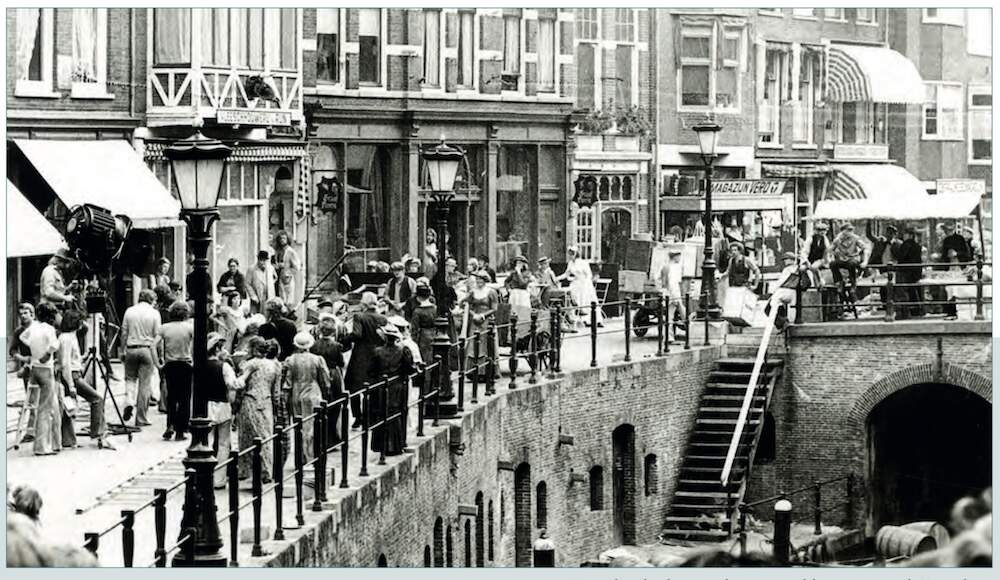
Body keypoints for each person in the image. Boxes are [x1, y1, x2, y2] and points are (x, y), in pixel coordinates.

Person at [57, 309, 114, 450]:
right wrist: (71, 385)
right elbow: (65, 363)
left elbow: (69, 360)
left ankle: (68, 439)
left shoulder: (66, 337)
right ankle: (97, 432)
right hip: (72, 375)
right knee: (97, 399)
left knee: (67, 407)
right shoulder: (68, 338)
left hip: (72, 373)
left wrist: (83, 357)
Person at [234, 336, 278, 482]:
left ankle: (245, 470)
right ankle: (266, 471)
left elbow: (241, 386)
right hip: (266, 402)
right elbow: (275, 391)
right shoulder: (274, 366)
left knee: (246, 436)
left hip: (250, 400)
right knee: (265, 436)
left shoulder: (249, 364)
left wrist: (236, 406)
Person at [20, 302, 62, 456]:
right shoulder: (49, 328)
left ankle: (53, 443)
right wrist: (46, 353)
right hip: (46, 369)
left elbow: (22, 337)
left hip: (34, 368)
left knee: (43, 406)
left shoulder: (34, 327)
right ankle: (42, 446)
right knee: (45, 409)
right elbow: (55, 345)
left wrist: (33, 346)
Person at [282, 331, 330, 463]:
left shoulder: (290, 360)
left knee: (299, 426)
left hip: (297, 393)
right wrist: (326, 393)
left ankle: (301, 457)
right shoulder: (317, 359)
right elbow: (325, 380)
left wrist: (285, 398)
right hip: (313, 392)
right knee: (314, 425)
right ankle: (313, 455)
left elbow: (287, 382)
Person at [342, 292, 388, 428]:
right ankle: (371, 416)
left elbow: (357, 333)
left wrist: (345, 339)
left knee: (354, 387)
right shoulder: (382, 318)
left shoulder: (359, 317)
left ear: (364, 304)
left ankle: (358, 416)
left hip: (361, 356)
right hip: (377, 356)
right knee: (374, 386)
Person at [368, 324, 414, 456]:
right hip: (398, 386)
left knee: (381, 412)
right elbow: (408, 369)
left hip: (381, 386)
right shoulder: (403, 350)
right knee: (396, 413)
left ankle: (381, 445)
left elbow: (371, 371)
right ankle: (396, 445)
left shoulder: (377, 351)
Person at [119, 289, 161, 427]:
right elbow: (157, 335)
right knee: (145, 384)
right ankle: (141, 418)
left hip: (131, 348)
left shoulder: (129, 311)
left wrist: (122, 349)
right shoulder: (154, 313)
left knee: (130, 379)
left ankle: (129, 402)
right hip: (147, 349)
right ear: (151, 300)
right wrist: (158, 355)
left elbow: (124, 332)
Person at [155, 301, 194, 441]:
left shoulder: (164, 328)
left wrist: (157, 363)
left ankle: (170, 424)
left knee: (171, 396)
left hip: (170, 364)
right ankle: (181, 429)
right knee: (185, 398)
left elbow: (153, 345)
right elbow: (197, 346)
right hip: (185, 364)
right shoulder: (190, 328)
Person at [310, 312, 346, 444]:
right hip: (333, 374)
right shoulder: (336, 346)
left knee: (321, 404)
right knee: (335, 405)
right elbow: (341, 363)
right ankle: (332, 436)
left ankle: (321, 436)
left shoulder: (314, 345)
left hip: (318, 375)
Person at [460, 270, 499, 371]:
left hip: (486, 320)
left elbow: (494, 308)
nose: (478, 282)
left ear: (485, 281)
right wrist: (473, 314)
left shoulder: (491, 292)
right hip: (475, 320)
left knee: (485, 342)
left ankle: (487, 370)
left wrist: (483, 315)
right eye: (477, 280)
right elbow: (464, 303)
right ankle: (472, 370)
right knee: (473, 343)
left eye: (481, 280)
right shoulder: (473, 292)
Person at [558, 246, 603, 327]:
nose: (570, 256)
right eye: (569, 254)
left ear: (576, 254)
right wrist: (557, 278)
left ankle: (594, 320)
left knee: (587, 300)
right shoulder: (570, 263)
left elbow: (589, 275)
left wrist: (585, 284)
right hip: (575, 283)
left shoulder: (583, 263)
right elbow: (566, 274)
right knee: (573, 297)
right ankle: (578, 319)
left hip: (585, 283)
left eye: (572, 254)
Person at [10, 304, 36, 442]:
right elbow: (12, 350)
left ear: (32, 314)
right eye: (21, 313)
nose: (23, 316)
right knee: (30, 399)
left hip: (40, 365)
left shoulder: (38, 328)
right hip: (27, 369)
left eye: (26, 313)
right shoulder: (18, 331)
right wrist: (22, 358)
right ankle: (32, 431)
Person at [829, 222, 867, 291]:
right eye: (848, 230)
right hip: (842, 259)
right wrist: (831, 256)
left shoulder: (855, 238)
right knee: (832, 264)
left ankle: (853, 283)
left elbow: (864, 248)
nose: (850, 232)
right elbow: (830, 249)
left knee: (851, 264)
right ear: (843, 231)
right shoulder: (838, 239)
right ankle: (839, 281)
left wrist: (865, 261)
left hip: (853, 258)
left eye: (851, 230)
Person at [896, 226, 925, 318]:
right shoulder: (917, 245)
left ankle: (906, 311)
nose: (903, 236)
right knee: (914, 290)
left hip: (906, 271)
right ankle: (918, 310)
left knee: (904, 291)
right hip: (915, 271)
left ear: (909, 235)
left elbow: (901, 257)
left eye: (905, 234)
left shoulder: (906, 245)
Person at [409, 282, 437, 366]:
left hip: (423, 337)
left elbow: (414, 329)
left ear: (418, 297)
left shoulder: (417, 311)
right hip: (435, 334)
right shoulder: (436, 308)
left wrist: (413, 341)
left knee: (425, 357)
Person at [660, 249, 685, 342]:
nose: (679, 258)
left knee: (671, 316)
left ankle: (668, 336)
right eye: (678, 256)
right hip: (673, 294)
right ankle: (668, 337)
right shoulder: (674, 268)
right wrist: (675, 296)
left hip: (668, 293)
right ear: (675, 257)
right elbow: (672, 283)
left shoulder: (665, 267)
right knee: (672, 316)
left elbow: (662, 281)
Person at [273, 230, 301, 306]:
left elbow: (297, 267)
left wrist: (286, 267)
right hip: (279, 277)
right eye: (280, 239)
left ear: (287, 239)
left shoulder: (291, 252)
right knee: (281, 300)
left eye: (284, 238)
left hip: (288, 278)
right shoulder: (278, 251)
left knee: (288, 300)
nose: (282, 240)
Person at [246, 250, 277, 315]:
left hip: (268, 297)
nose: (262, 262)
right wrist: (253, 296)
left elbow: (275, 277)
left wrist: (269, 286)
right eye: (261, 260)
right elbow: (247, 284)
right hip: (257, 296)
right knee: (257, 318)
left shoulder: (270, 268)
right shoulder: (251, 269)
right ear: (258, 259)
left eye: (264, 260)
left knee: (268, 316)